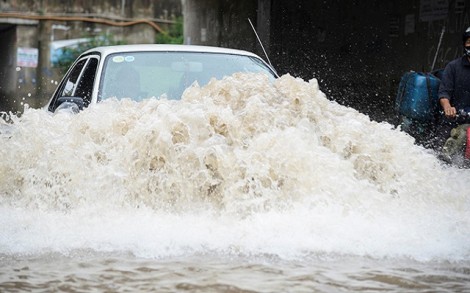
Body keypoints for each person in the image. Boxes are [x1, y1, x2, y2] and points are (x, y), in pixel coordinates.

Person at [435, 27, 470, 149]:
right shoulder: (453, 67)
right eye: (469, 42)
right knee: (442, 152)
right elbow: (444, 93)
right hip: (453, 121)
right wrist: (448, 107)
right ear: (464, 44)